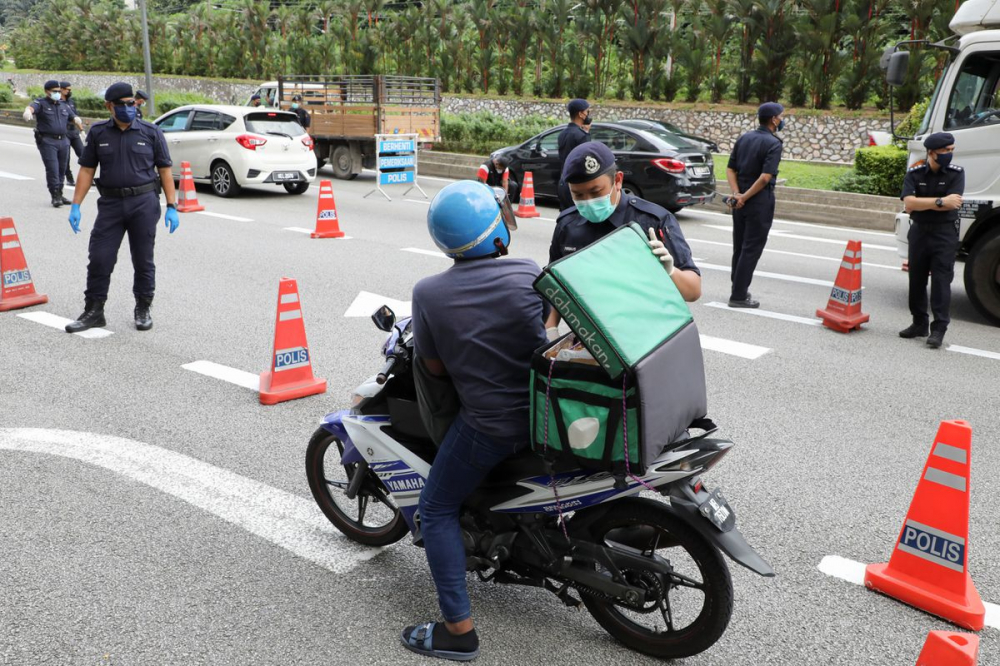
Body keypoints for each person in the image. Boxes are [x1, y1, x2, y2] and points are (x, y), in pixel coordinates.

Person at [402, 181, 547, 662]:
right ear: (495, 234)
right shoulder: (527, 270)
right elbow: (542, 328)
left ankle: (458, 632)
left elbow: (435, 368)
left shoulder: (429, 293)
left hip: (491, 427)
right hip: (547, 418)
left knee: (437, 507)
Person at [545, 142, 701, 338]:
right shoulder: (568, 225)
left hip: (643, 341)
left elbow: (693, 291)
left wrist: (670, 271)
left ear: (618, 181)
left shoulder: (652, 221)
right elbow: (557, 284)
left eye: (596, 192)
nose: (588, 201)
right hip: (588, 340)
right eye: (578, 195)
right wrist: (550, 328)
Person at [64, 82, 179, 334]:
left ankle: (143, 307)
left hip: (144, 203)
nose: (129, 108)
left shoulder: (151, 132)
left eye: (131, 103)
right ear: (109, 106)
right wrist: (76, 205)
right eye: (123, 104)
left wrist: (171, 205)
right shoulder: (98, 133)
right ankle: (94, 310)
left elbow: (165, 169)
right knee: (99, 257)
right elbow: (86, 169)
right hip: (111, 204)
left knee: (143, 259)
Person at [899, 132, 965, 349]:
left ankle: (938, 330)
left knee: (941, 282)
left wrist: (924, 202)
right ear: (931, 152)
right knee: (916, 279)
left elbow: (953, 203)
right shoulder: (915, 172)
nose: (949, 154)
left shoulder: (957, 173)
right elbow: (908, 204)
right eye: (945, 151)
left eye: (952, 150)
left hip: (944, 234)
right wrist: (939, 201)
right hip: (919, 232)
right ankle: (919, 323)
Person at [725, 101, 785, 309]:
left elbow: (730, 169)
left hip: (740, 199)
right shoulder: (774, 144)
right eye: (781, 116)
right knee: (751, 248)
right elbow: (765, 177)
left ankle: (737, 288)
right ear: (773, 119)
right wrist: (746, 197)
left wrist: (737, 194)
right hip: (758, 201)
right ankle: (739, 296)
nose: (782, 119)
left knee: (739, 246)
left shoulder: (744, 138)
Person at [23, 79, 80, 207]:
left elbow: (72, 116)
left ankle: (60, 193)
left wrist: (76, 119)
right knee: (53, 168)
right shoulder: (41, 103)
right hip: (48, 141)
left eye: (59, 91)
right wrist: (28, 111)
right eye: (55, 91)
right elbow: (32, 107)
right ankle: (55, 195)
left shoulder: (63, 104)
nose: (58, 94)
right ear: (47, 91)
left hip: (63, 140)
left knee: (62, 168)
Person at [556, 98, 591, 210]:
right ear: (581, 114)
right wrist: (587, 133)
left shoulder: (562, 134)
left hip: (563, 182)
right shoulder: (581, 135)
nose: (588, 115)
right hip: (576, 185)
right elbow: (586, 160)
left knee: (565, 217)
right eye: (587, 112)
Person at [60, 81, 84, 187]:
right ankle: (69, 178)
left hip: (74, 132)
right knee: (66, 157)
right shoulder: (57, 102)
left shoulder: (71, 101)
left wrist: (82, 131)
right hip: (64, 132)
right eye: (67, 89)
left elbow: (76, 117)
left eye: (70, 89)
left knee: (83, 155)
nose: (69, 91)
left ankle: (87, 177)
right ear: (61, 89)